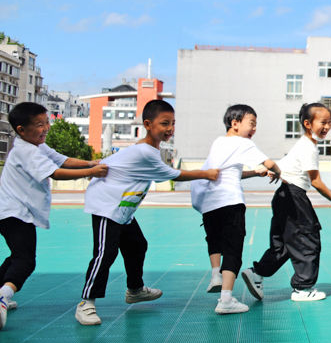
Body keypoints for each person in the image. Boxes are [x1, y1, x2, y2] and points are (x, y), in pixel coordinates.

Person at [76, 100, 219, 326]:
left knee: (137, 244)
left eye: (173, 123)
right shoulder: (145, 152)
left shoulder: (148, 150)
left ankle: (135, 290)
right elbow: (172, 174)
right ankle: (86, 303)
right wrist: (206, 173)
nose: (170, 128)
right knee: (105, 253)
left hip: (123, 210)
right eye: (164, 123)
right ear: (147, 124)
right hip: (106, 207)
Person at [0, 102, 108, 330]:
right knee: (25, 260)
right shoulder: (26, 150)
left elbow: (62, 160)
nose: (46, 128)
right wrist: (91, 172)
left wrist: (91, 162)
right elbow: (55, 172)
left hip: (13, 212)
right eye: (39, 124)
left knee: (15, 257)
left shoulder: (37, 146)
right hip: (14, 213)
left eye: (47, 122)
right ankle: (3, 297)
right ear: (21, 130)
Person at [242, 103, 331, 303]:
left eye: (330, 122)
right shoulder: (309, 147)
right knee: (307, 239)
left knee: (284, 244)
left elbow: (284, 167)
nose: (328, 126)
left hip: (282, 197)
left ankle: (257, 273)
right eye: (323, 122)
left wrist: (274, 171)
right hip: (294, 197)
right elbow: (316, 181)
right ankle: (303, 289)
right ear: (308, 123)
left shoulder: (301, 145)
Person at [190, 104, 280, 315]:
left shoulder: (219, 142)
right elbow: (270, 162)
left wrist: (254, 174)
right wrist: (276, 171)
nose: (254, 129)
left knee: (214, 239)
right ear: (235, 123)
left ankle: (215, 275)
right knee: (233, 248)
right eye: (252, 124)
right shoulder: (243, 143)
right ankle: (226, 299)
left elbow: (231, 172)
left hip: (210, 204)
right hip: (230, 202)